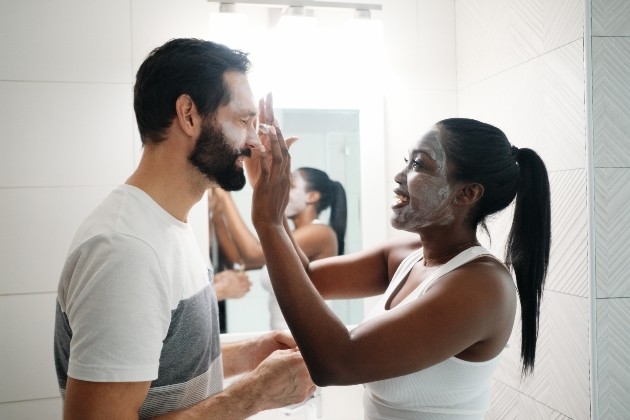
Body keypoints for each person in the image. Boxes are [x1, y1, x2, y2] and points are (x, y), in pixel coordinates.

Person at [53, 38, 315, 419]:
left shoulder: (167, 225)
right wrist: (255, 394)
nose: (255, 142)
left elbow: (149, 360)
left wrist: (247, 354)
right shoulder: (126, 250)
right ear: (188, 114)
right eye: (244, 121)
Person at [250, 117, 551, 419]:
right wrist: (263, 191)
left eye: (418, 165)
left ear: (467, 193)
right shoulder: (406, 255)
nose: (399, 175)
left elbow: (336, 364)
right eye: (408, 161)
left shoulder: (482, 287)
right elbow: (305, 278)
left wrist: (269, 222)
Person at [209, 164, 347, 330]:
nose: (283, 190)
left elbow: (254, 253)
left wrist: (225, 197)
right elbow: (241, 259)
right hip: (286, 338)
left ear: (312, 196)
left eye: (292, 186)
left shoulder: (321, 233)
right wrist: (217, 216)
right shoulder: (292, 236)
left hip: (309, 337)